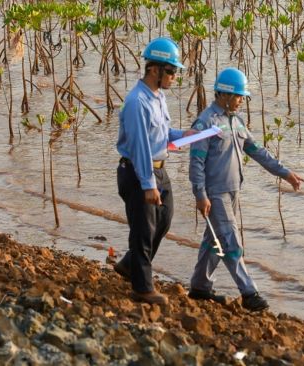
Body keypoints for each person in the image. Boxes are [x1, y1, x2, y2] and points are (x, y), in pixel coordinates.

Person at [188, 67, 304, 311]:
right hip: (215, 193)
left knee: (214, 241)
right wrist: (200, 194)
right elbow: (196, 162)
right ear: (226, 95)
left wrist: (285, 173)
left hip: (233, 192)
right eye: (240, 96)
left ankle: (199, 287)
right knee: (231, 241)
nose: (242, 100)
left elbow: (256, 151)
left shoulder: (237, 122)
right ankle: (249, 293)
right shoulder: (207, 123)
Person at [114, 37, 195, 305]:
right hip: (139, 172)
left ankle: (129, 265)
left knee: (163, 220)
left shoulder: (157, 98)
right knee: (143, 229)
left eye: (175, 72)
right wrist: (148, 185)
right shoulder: (137, 102)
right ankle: (142, 288)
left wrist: (184, 135)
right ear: (154, 70)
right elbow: (139, 147)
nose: (174, 77)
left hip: (159, 168)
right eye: (170, 71)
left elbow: (161, 134)